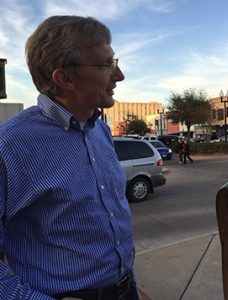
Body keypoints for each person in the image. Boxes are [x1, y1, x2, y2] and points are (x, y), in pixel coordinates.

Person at [0, 16, 140, 299]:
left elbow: (109, 227)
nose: (119, 75)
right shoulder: (9, 145)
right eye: (106, 65)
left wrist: (130, 285)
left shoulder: (100, 131)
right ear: (64, 78)